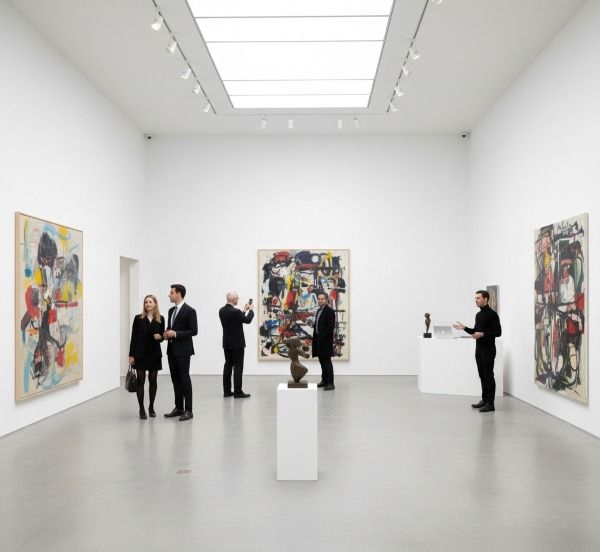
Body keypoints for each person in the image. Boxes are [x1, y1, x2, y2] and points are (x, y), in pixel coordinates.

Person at [453, 290, 502, 412]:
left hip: (488, 349)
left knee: (489, 376)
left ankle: (491, 404)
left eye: (478, 298)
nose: (476, 300)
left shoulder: (492, 314)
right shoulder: (478, 315)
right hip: (479, 349)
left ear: (485, 299)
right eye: (475, 298)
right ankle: (484, 400)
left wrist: (483, 334)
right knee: (482, 376)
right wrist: (464, 328)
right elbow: (475, 331)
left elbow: (498, 332)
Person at [163, 284, 198, 421]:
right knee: (175, 380)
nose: (169, 295)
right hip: (171, 350)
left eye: (171, 292)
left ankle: (189, 410)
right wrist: (166, 333)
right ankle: (179, 408)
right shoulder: (171, 310)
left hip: (183, 351)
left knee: (184, 380)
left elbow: (194, 331)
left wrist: (176, 334)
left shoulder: (190, 311)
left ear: (178, 294)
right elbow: (170, 327)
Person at [128, 294, 165, 419]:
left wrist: (160, 337)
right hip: (140, 354)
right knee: (140, 381)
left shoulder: (161, 319)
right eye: (146, 302)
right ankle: (141, 408)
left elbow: (162, 336)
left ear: (155, 304)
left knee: (153, 381)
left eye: (150, 302)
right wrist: (131, 355)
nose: (147, 304)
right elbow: (133, 337)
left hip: (154, 354)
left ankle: (151, 407)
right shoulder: (138, 318)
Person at [218, 291, 254, 398]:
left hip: (227, 343)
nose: (238, 300)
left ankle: (227, 391)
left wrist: (244, 310)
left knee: (228, 366)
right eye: (237, 298)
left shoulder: (221, 310)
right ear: (234, 299)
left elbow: (237, 319)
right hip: (237, 344)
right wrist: (251, 310)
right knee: (238, 367)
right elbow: (247, 320)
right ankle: (238, 392)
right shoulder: (236, 312)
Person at [312, 292, 336, 390]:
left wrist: (322, 336)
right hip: (319, 340)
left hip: (325, 341)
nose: (320, 300)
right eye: (319, 299)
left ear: (326, 300)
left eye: (322, 299)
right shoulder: (319, 310)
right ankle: (324, 380)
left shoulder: (330, 311)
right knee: (321, 361)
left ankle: (330, 383)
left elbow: (330, 327)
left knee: (327, 362)